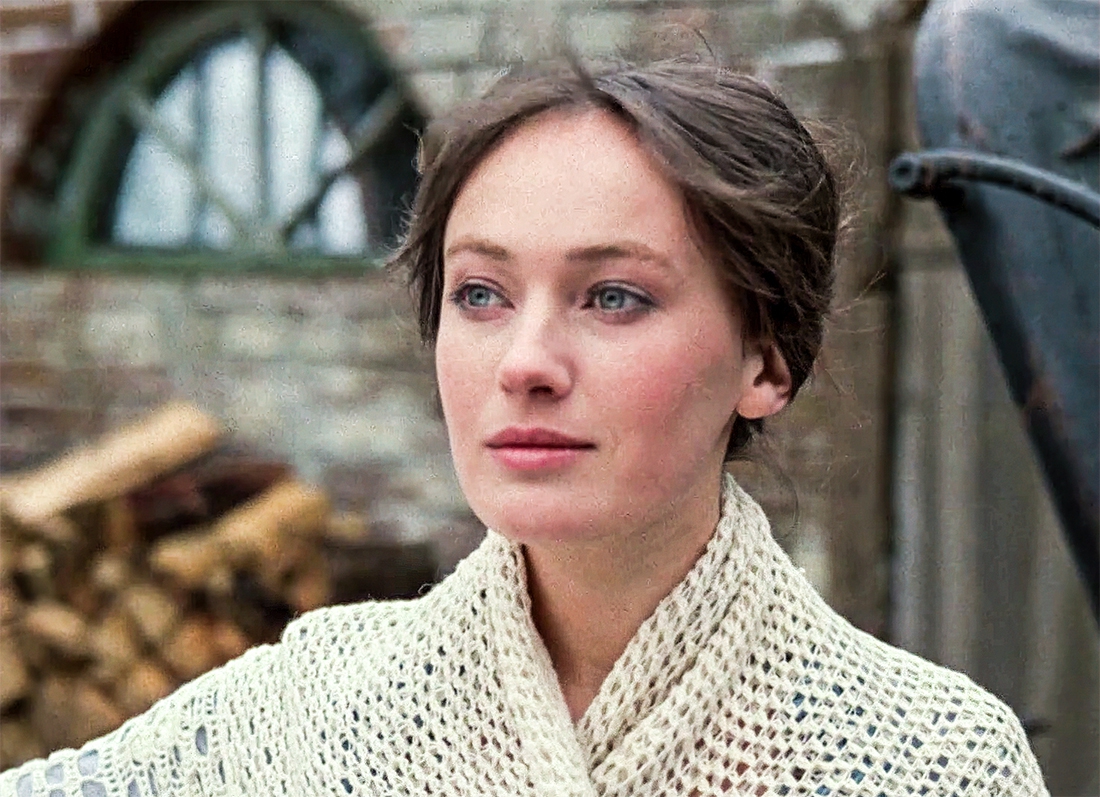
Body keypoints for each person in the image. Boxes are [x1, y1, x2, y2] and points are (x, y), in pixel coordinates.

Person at [1, 59, 1047, 796]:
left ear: (766, 361)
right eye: (481, 294)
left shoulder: (929, 761)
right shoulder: (304, 717)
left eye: (613, 296)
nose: (524, 363)